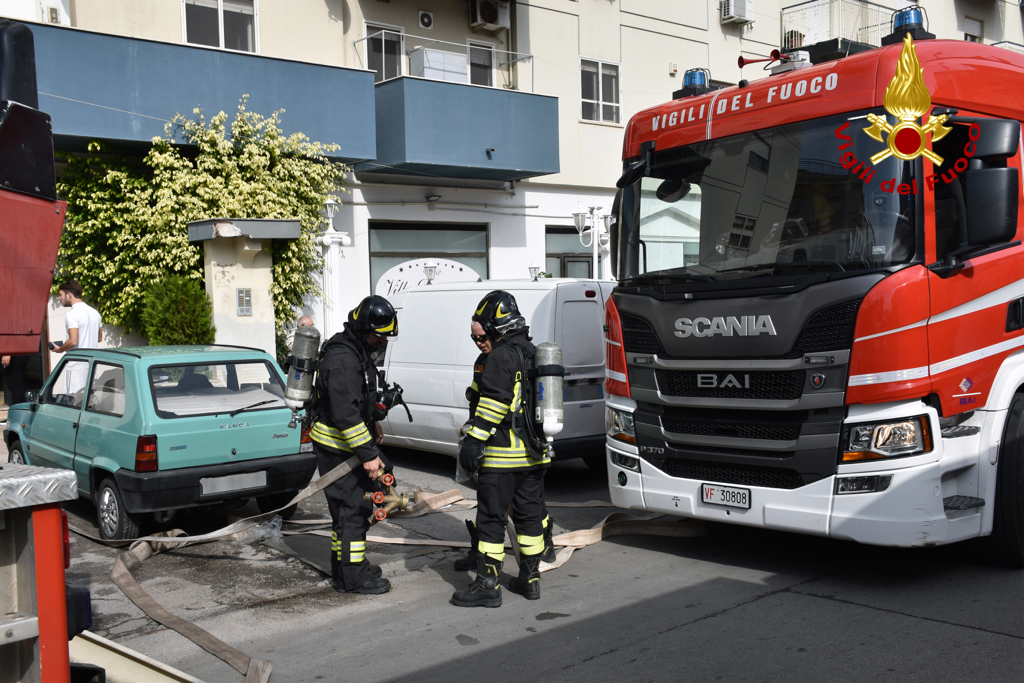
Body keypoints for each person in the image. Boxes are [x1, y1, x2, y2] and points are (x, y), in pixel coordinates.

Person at [452, 291, 552, 608]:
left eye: (482, 333)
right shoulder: (533, 352)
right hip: (536, 456)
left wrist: (473, 441)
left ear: (496, 327)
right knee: (529, 518)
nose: (480, 341)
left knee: (491, 521)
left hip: (503, 457)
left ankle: (487, 585)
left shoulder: (500, 356)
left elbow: (494, 405)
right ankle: (530, 579)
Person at [309, 295, 398, 595]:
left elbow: (357, 400)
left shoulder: (356, 350)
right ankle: (353, 577)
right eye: (377, 335)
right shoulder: (344, 359)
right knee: (353, 510)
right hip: (339, 447)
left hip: (346, 443)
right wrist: (369, 455)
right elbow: (345, 415)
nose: (380, 342)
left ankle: (346, 566)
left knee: (350, 510)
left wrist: (373, 421)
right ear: (362, 328)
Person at [51, 280, 102, 395]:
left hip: (76, 366)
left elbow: (73, 341)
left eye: (60, 295)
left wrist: (60, 349)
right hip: (92, 365)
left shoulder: (72, 314)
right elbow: (99, 338)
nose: (59, 298)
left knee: (73, 402)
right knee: (90, 400)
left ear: (69, 294)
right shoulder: (95, 313)